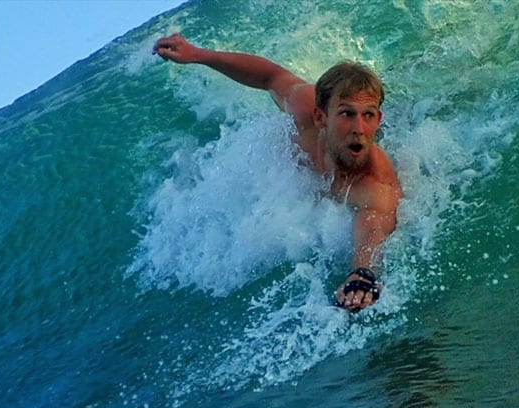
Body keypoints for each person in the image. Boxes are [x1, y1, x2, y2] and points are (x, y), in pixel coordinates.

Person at [153, 33, 402, 312]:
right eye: (347, 114)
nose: (359, 127)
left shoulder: (376, 181)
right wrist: (197, 54)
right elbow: (269, 76)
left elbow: (374, 225)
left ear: (378, 119)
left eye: (368, 115)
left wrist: (362, 274)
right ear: (322, 117)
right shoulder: (305, 109)